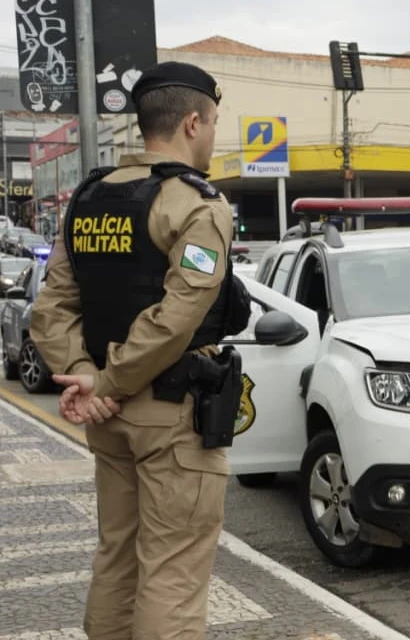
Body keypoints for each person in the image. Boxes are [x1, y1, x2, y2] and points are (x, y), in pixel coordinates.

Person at [29, 61, 251, 639]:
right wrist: (105, 384)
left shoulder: (88, 199)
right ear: (193, 122)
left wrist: (84, 374)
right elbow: (178, 317)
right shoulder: (196, 203)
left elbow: (51, 308)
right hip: (170, 415)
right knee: (172, 572)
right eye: (214, 123)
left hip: (111, 420)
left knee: (118, 559)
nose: (213, 136)